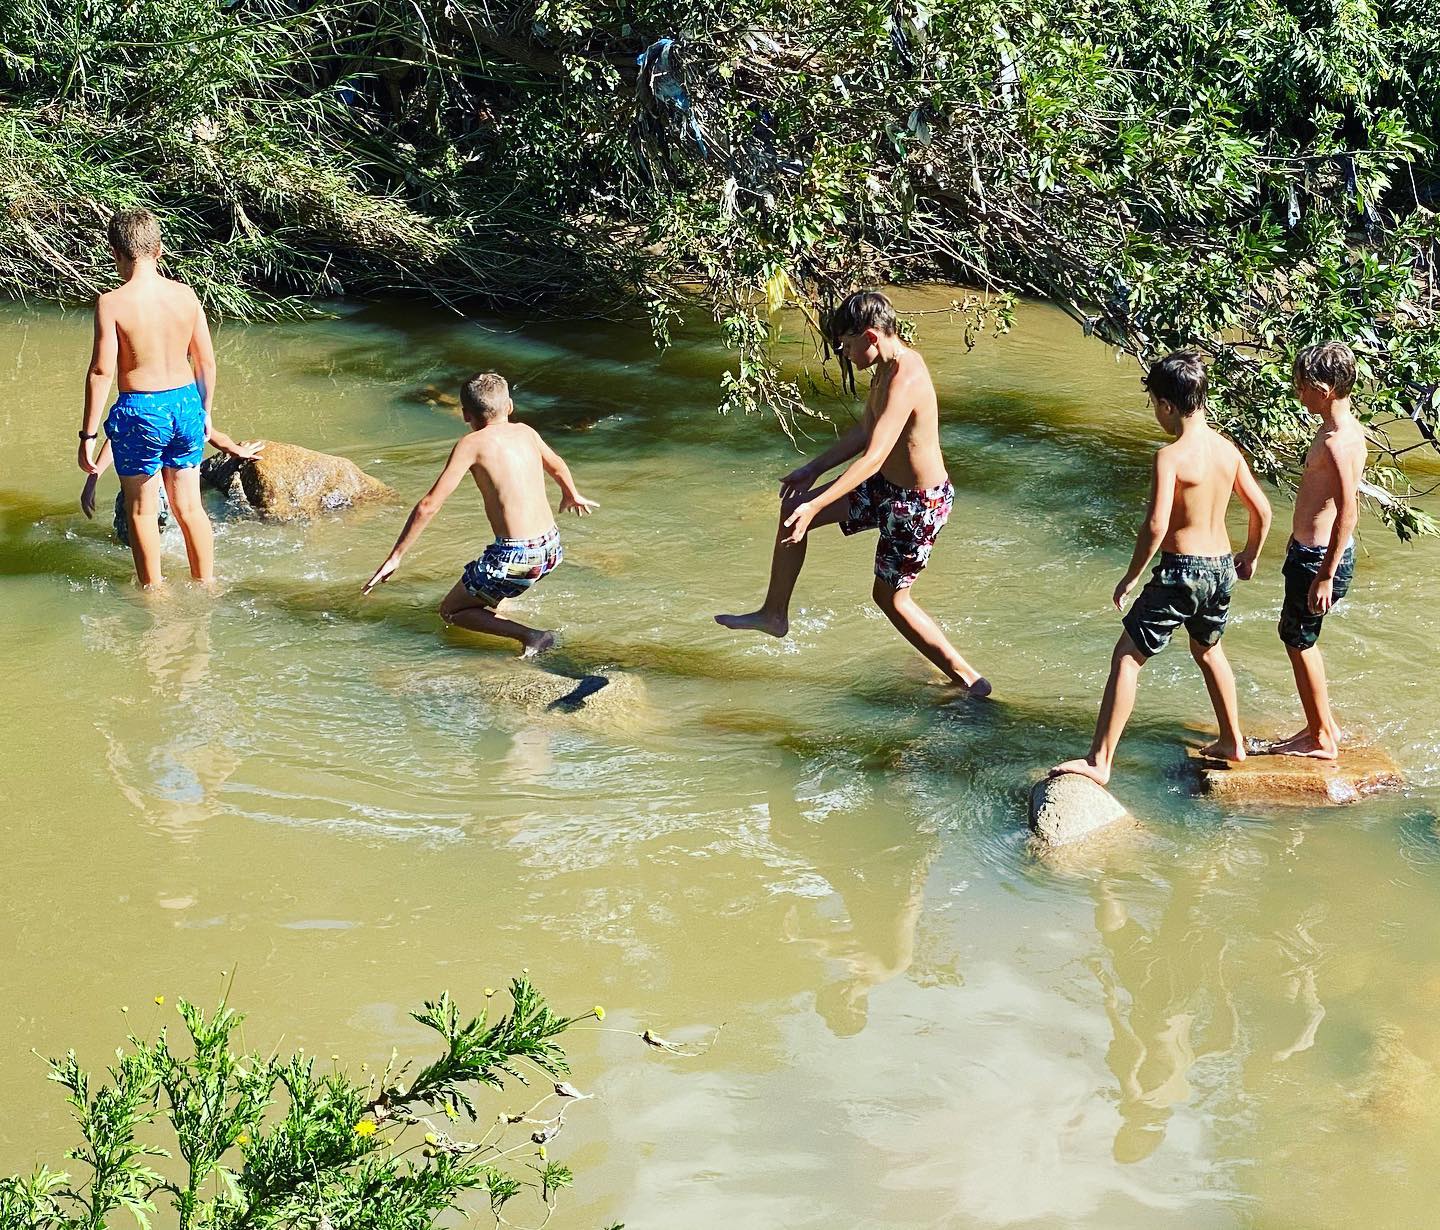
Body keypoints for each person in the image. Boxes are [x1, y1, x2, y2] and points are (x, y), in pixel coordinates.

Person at [715, 290, 989, 693]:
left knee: (891, 600)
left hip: (917, 505)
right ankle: (774, 614)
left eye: (846, 344)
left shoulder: (906, 377)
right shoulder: (883, 370)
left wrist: (819, 505)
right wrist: (811, 470)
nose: (843, 353)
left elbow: (874, 457)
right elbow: (865, 432)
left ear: (871, 337)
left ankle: (969, 679)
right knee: (795, 506)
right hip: (886, 489)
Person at [1053, 351, 1272, 785]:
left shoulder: (1170, 456)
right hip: (1220, 568)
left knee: (1127, 657)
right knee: (1208, 649)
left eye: (1155, 404)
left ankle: (1099, 761)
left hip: (1182, 570)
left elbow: (1155, 525)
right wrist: (1250, 556)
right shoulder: (1228, 451)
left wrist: (1132, 576)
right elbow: (1262, 510)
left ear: (1168, 406)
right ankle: (1233, 741)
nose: (1157, 413)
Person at [361, 371, 598, 655]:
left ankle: (534, 636)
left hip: (517, 556)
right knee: (489, 582)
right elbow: (557, 464)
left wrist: (395, 556)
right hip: (551, 548)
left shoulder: (470, 445)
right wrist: (571, 493)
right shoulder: (526, 431)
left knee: (451, 611)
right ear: (509, 406)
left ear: (465, 415)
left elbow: (429, 505)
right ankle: (499, 603)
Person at [76, 208, 224, 588]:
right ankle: (206, 584)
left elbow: (101, 372)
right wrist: (204, 413)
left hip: (142, 409)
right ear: (159, 250)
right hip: (186, 403)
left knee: (141, 511)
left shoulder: (111, 303)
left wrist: (88, 437)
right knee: (190, 506)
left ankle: (153, 595)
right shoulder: (186, 295)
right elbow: (205, 361)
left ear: (115, 253)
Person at [1271, 341, 1367, 759]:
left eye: (1303, 386)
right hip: (1310, 553)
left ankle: (1321, 738)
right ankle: (1321, 725)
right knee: (1298, 636)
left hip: (1319, 559)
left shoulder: (1337, 442)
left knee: (1298, 638)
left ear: (1324, 388)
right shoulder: (1338, 429)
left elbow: (1349, 511)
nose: (1298, 392)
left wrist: (1326, 574)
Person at [81, 432, 264, 546]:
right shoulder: (181, 400)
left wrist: (92, 479)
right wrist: (233, 449)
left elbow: (116, 438)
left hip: (147, 494)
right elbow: (206, 428)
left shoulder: (140, 405)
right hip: (170, 495)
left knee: (129, 542)